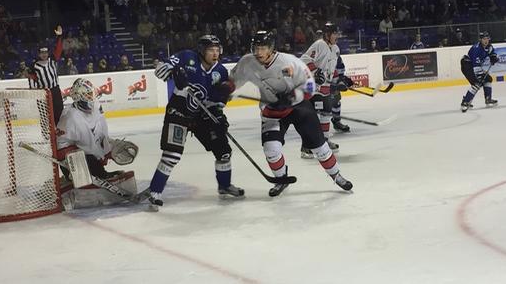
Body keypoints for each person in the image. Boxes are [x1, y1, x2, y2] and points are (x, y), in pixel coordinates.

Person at [229, 30, 353, 197]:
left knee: (319, 147)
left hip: (299, 108)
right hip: (272, 112)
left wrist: (291, 97)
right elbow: (231, 83)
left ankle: (336, 176)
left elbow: (309, 86)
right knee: (271, 150)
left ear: (271, 48)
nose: (258, 52)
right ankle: (281, 179)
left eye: (263, 48)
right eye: (256, 48)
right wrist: (222, 94)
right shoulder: (247, 63)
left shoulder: (288, 62)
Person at [147, 35, 244, 207]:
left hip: (202, 116)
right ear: (201, 50)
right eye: (210, 50)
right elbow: (159, 70)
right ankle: (155, 191)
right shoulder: (186, 57)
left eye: (217, 50)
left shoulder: (220, 71)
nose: (215, 54)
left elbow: (218, 100)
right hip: (179, 111)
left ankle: (224, 186)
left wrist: (219, 116)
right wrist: (174, 72)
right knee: (172, 154)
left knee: (223, 152)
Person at [57, 78, 129, 181]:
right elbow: (61, 145)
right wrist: (71, 166)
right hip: (72, 165)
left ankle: (100, 173)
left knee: (92, 157)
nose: (91, 98)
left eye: (92, 94)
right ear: (78, 97)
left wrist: (108, 149)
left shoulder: (96, 108)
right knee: (87, 157)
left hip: (90, 157)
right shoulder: (70, 117)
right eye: (87, 95)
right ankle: (97, 175)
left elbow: (98, 135)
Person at [299, 22, 347, 159]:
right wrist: (316, 72)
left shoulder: (336, 48)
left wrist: (340, 81)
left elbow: (333, 69)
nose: (336, 36)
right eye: (334, 33)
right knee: (312, 118)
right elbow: (304, 60)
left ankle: (324, 141)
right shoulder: (319, 44)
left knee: (326, 114)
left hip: (325, 88)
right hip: (313, 88)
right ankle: (306, 147)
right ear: (327, 34)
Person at [28, 25, 64, 125]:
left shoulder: (52, 59)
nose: (44, 54)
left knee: (59, 112)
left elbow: (59, 49)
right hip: (43, 93)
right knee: (45, 114)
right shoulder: (34, 66)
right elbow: (32, 79)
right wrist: (33, 91)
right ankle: (47, 135)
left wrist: (59, 37)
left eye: (46, 52)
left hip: (55, 90)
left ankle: (59, 132)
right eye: (42, 52)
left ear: (48, 53)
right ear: (38, 54)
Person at [460, 31, 499, 112]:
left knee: (488, 79)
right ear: (480, 39)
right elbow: (475, 66)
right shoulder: (476, 49)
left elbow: (492, 53)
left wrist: (493, 57)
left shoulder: (489, 47)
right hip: (467, 65)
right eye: (484, 39)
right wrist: (480, 75)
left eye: (487, 39)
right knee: (477, 83)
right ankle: (465, 102)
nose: (486, 41)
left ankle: (488, 99)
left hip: (474, 66)